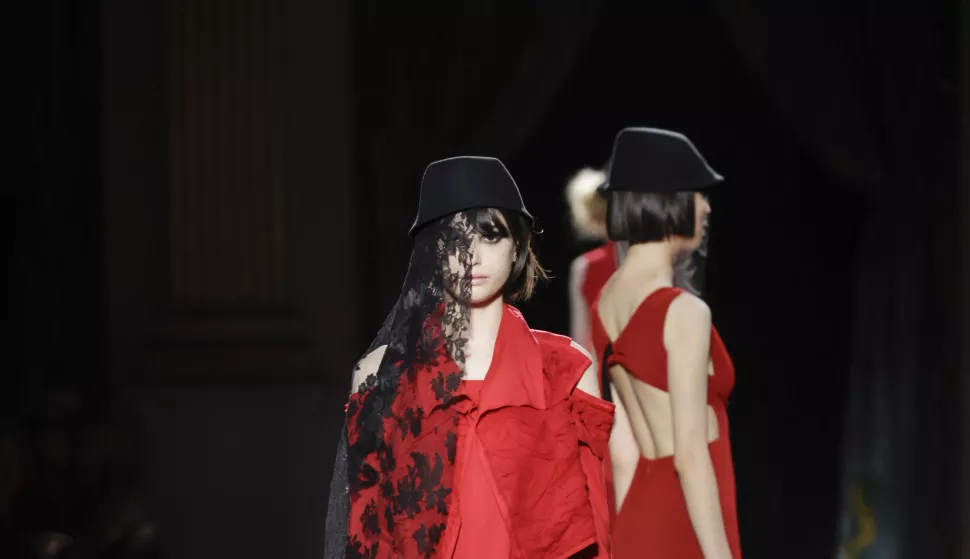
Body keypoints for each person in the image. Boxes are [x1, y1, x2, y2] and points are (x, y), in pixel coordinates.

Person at [325, 156, 615, 559]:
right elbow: (367, 529)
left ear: (518, 245)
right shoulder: (379, 375)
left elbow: (592, 525)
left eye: (491, 236)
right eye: (453, 238)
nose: (472, 255)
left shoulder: (566, 371)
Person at [591, 128, 741, 558]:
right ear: (669, 201)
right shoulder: (684, 312)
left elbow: (621, 450)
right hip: (686, 521)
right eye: (697, 193)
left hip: (640, 516)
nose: (707, 207)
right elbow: (691, 456)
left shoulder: (608, 299)